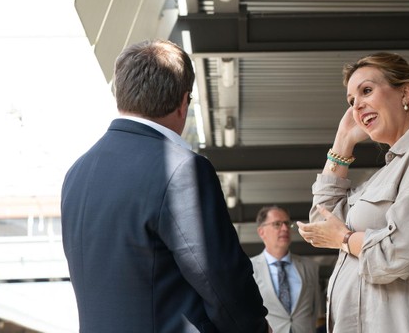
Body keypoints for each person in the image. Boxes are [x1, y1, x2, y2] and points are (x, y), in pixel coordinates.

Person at [60, 39, 269, 333]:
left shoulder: (77, 173)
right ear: (183, 103)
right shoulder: (181, 168)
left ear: (121, 93)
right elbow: (219, 276)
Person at [295, 52, 409, 332]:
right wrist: (342, 143)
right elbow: (322, 222)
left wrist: (344, 238)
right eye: (352, 101)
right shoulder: (387, 173)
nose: (357, 106)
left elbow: (398, 255)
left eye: (366, 90)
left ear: (405, 93)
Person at [251, 205, 324, 333]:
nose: (285, 228)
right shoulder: (249, 269)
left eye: (287, 223)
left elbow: (315, 310)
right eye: (277, 224)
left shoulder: (310, 267)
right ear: (261, 232)